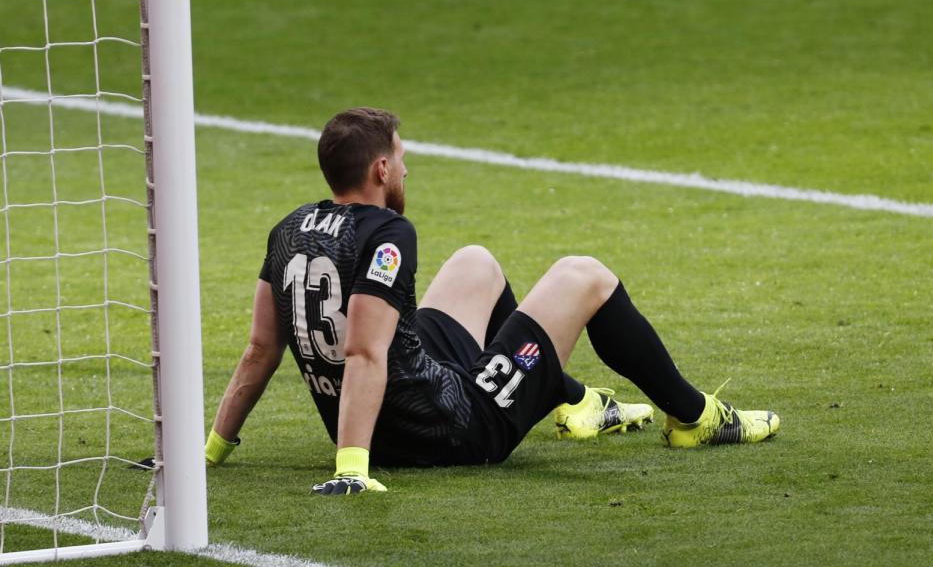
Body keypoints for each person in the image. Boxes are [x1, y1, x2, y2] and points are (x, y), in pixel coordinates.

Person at [204, 108, 780, 495]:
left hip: (384, 410)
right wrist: (352, 468)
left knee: (475, 262)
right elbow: (364, 352)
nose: (406, 168)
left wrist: (213, 451)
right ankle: (698, 418)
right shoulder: (388, 232)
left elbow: (261, 349)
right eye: (401, 158)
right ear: (381, 169)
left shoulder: (288, 229)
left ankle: (576, 404)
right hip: (451, 429)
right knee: (584, 275)